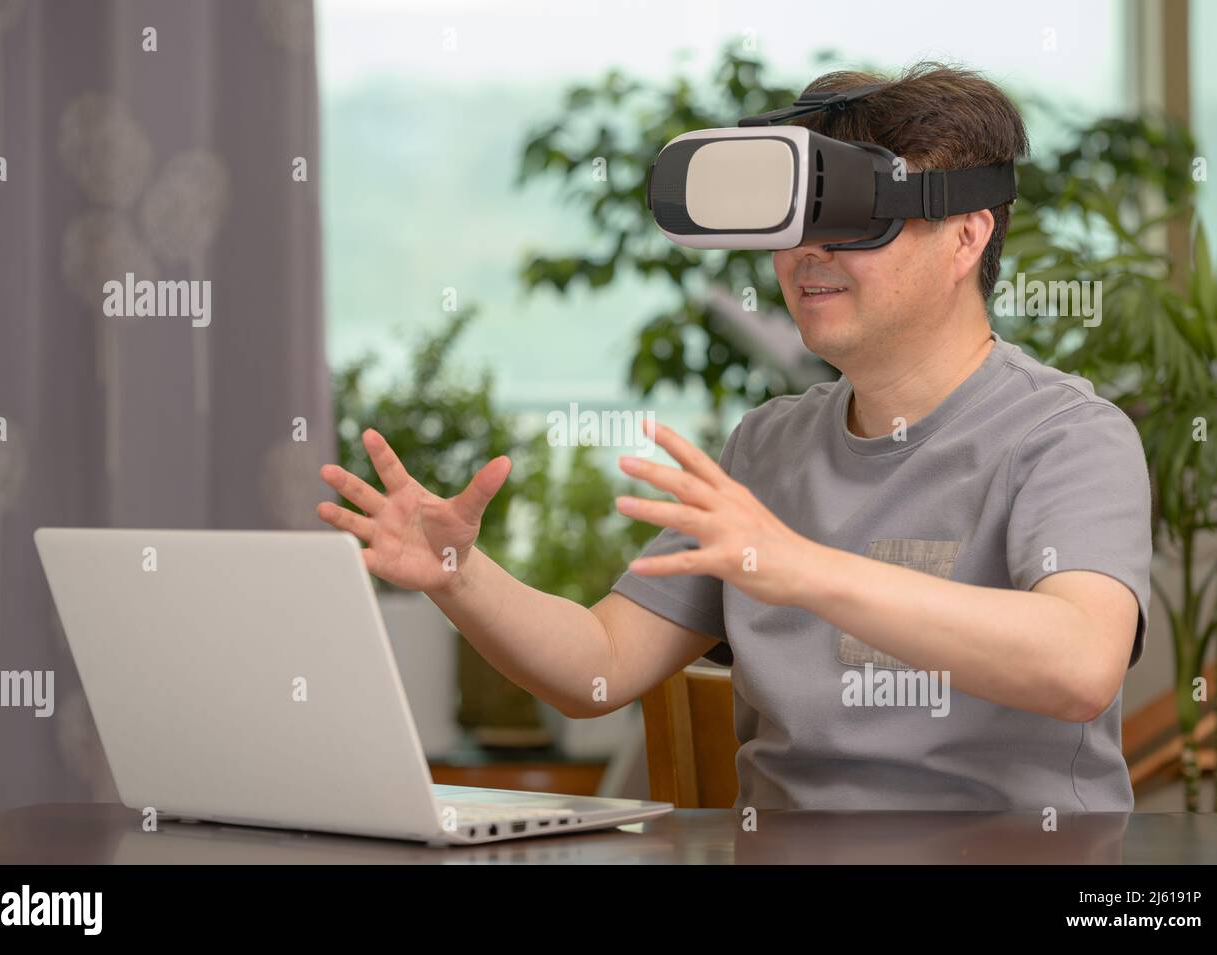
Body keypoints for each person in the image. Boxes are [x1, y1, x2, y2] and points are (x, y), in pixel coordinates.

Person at [316, 63, 1152, 812]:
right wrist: (458, 574)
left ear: (966, 235)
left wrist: (800, 567)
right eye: (792, 221)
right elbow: (598, 665)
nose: (806, 255)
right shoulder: (767, 445)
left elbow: (1079, 665)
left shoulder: (1067, 437)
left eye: (855, 220)